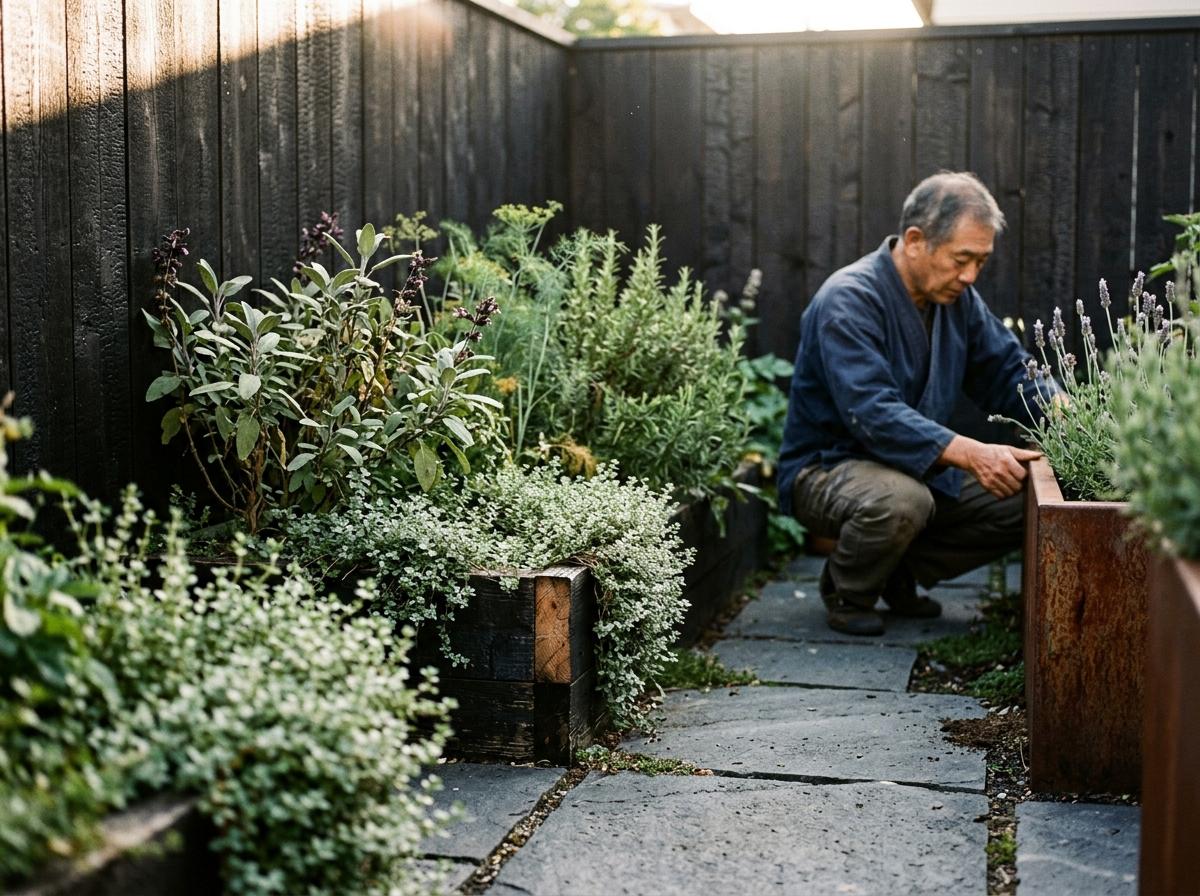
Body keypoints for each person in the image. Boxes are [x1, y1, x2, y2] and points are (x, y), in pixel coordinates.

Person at [777, 171, 1056, 636]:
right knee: (901, 500)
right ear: (914, 241)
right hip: (827, 468)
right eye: (961, 260)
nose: (970, 276)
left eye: (981, 262)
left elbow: (1008, 370)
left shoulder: (958, 301)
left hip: (915, 470)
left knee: (1028, 493)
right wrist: (973, 453)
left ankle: (894, 573)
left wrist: (1064, 412)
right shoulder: (848, 299)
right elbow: (873, 412)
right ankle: (848, 591)